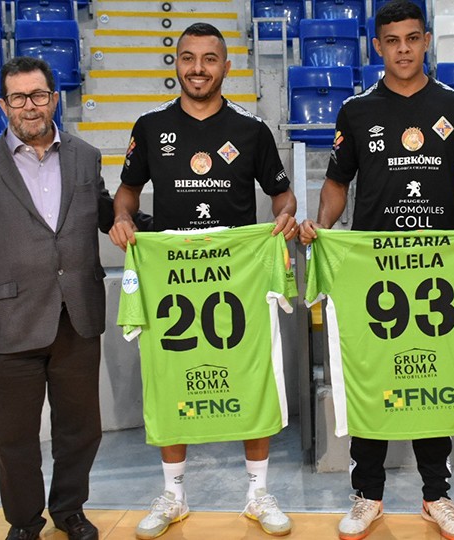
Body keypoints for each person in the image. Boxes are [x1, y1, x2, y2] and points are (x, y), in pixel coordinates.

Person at [299, 2, 454, 539]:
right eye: (391, 40)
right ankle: (368, 494)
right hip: (374, 268)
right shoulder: (356, 111)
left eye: (412, 39)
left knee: (432, 373)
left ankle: (436, 495)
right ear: (377, 46)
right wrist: (320, 229)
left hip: (437, 264)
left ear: (427, 41)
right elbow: (336, 184)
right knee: (373, 374)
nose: (402, 49)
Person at [107, 22, 299, 539]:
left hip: (236, 278)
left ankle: (258, 494)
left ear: (225, 66)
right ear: (176, 65)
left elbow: (283, 196)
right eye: (188, 58)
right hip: (172, 279)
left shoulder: (251, 130)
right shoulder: (149, 127)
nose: (198, 68)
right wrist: (123, 220)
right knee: (171, 379)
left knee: (250, 375)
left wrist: (285, 215)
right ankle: (174, 495)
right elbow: (125, 193)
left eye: (208, 59)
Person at [0, 56, 122, 540]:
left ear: (54, 98)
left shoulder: (85, 157)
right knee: (16, 438)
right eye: (19, 97)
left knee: (80, 431)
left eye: (38, 95)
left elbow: (105, 213)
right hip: (7, 324)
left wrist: (144, 226)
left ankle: (69, 510)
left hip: (77, 316)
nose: (30, 106)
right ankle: (24, 522)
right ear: (3, 105)